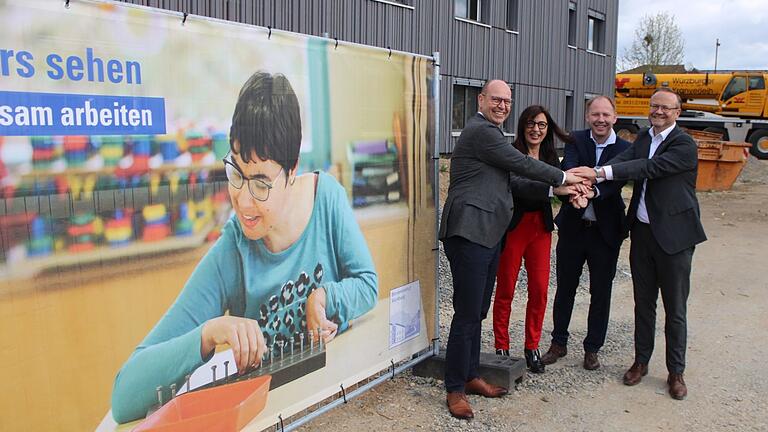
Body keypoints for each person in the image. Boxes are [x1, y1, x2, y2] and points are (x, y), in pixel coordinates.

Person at [111, 71, 378, 423]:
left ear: (292, 170)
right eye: (236, 174)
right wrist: (207, 334)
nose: (244, 201)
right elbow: (125, 395)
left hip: (337, 402)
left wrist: (325, 297)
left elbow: (367, 284)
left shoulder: (327, 200)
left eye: (262, 183)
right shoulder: (232, 252)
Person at [438, 79, 584, 420]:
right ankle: (455, 388)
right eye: (496, 99)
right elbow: (523, 165)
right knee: (466, 312)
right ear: (481, 99)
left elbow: (515, 181)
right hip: (470, 232)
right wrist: (563, 177)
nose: (503, 105)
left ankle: (471, 374)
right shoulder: (481, 132)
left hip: (489, 234)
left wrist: (562, 191)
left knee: (477, 312)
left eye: (507, 101)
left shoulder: (493, 137)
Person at [569, 87, 706, 400]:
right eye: (654, 106)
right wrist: (588, 179)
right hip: (643, 234)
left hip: (675, 237)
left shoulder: (684, 145)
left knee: (675, 308)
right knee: (643, 304)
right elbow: (626, 158)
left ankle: (676, 371)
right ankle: (641, 361)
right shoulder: (644, 137)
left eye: (666, 108)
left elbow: (648, 168)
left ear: (677, 112)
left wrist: (598, 171)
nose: (658, 112)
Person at [541, 96, 631, 371]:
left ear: (614, 117)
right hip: (573, 228)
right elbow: (569, 170)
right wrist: (585, 185)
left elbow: (617, 181)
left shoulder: (625, 148)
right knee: (565, 288)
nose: (600, 119)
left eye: (606, 114)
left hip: (606, 232)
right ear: (587, 117)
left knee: (600, 292)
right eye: (595, 114)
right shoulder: (575, 140)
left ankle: (592, 348)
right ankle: (558, 343)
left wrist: (593, 190)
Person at [492, 105, 574, 374]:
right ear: (522, 126)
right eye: (530, 123)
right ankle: (501, 346)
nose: (535, 129)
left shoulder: (551, 156)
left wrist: (577, 192)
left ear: (547, 128)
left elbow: (561, 191)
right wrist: (554, 187)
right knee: (506, 289)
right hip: (515, 227)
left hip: (541, 229)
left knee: (539, 291)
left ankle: (532, 346)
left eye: (541, 124)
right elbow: (517, 185)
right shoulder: (512, 152)